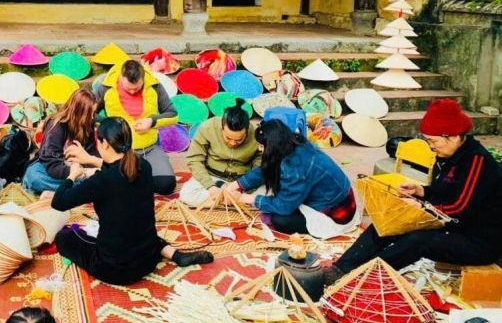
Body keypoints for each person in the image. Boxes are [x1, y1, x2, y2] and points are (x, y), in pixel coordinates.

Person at [327, 99, 502, 283]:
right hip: (452, 227)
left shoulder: (476, 161)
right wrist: (421, 191)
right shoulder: (446, 155)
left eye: (433, 141)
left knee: (418, 240)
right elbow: (444, 192)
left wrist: (421, 209)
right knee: (388, 221)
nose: (430, 146)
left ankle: (362, 278)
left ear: (454, 136)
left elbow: (460, 207)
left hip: (478, 241)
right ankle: (339, 270)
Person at [45, 117, 213, 285]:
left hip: (116, 270)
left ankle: (172, 254)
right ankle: (176, 255)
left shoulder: (101, 181)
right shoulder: (143, 166)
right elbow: (116, 167)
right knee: (140, 231)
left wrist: (72, 175)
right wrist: (89, 159)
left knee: (66, 236)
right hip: (148, 261)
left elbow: (59, 202)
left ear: (104, 144)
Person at [222, 119, 356, 235]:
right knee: (269, 196)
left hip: (335, 210)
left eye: (262, 146)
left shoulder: (295, 168)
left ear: (272, 146)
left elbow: (284, 206)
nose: (259, 149)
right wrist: (238, 184)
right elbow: (267, 167)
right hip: (327, 194)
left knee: (280, 220)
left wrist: (248, 198)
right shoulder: (291, 141)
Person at [92, 59, 178, 194]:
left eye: (136, 88)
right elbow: (89, 113)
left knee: (166, 185)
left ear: (143, 79)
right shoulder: (105, 88)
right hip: (119, 151)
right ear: (121, 77)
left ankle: (136, 182)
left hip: (149, 147)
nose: (132, 92)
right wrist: (111, 124)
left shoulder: (155, 86)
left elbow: (172, 114)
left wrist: (152, 121)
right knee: (114, 185)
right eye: (128, 89)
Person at [181, 98, 260, 206]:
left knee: (270, 195)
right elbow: (194, 159)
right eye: (228, 138)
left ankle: (225, 199)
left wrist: (244, 185)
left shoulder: (257, 134)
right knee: (186, 195)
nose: (232, 143)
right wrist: (210, 186)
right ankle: (234, 200)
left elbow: (260, 165)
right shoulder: (208, 127)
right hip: (213, 177)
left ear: (247, 131)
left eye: (239, 140)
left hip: (242, 180)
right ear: (222, 128)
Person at [22, 89, 100, 194]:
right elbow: (50, 162)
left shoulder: (88, 124)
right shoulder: (57, 126)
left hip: (77, 169)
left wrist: (89, 161)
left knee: (100, 176)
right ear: (78, 112)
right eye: (89, 113)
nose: (92, 117)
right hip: (51, 170)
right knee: (34, 176)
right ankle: (77, 189)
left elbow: (91, 152)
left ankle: (65, 191)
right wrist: (77, 173)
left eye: (94, 113)